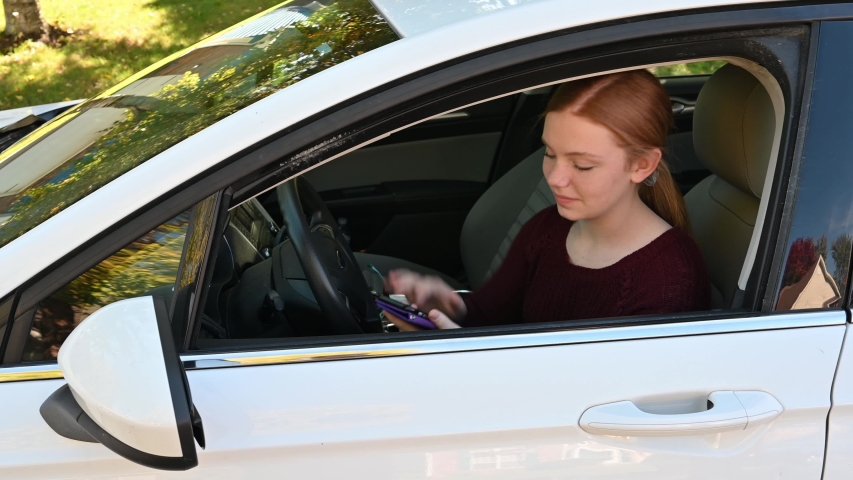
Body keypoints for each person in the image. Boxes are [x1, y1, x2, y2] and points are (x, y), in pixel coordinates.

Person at [385, 70, 711, 330]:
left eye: (582, 165)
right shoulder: (548, 227)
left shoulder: (669, 280)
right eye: (550, 154)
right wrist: (447, 305)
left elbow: (603, 390)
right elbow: (491, 315)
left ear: (642, 165)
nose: (555, 178)